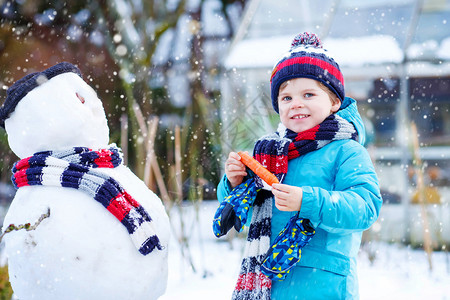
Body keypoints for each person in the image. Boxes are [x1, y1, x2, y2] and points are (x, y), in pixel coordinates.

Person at [216, 32, 382, 300]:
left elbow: (365, 208)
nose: (297, 104)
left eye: (308, 94)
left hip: (323, 286)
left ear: (334, 103)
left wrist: (307, 200)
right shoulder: (271, 153)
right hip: (266, 285)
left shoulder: (347, 151)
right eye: (287, 98)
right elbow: (237, 215)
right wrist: (232, 184)